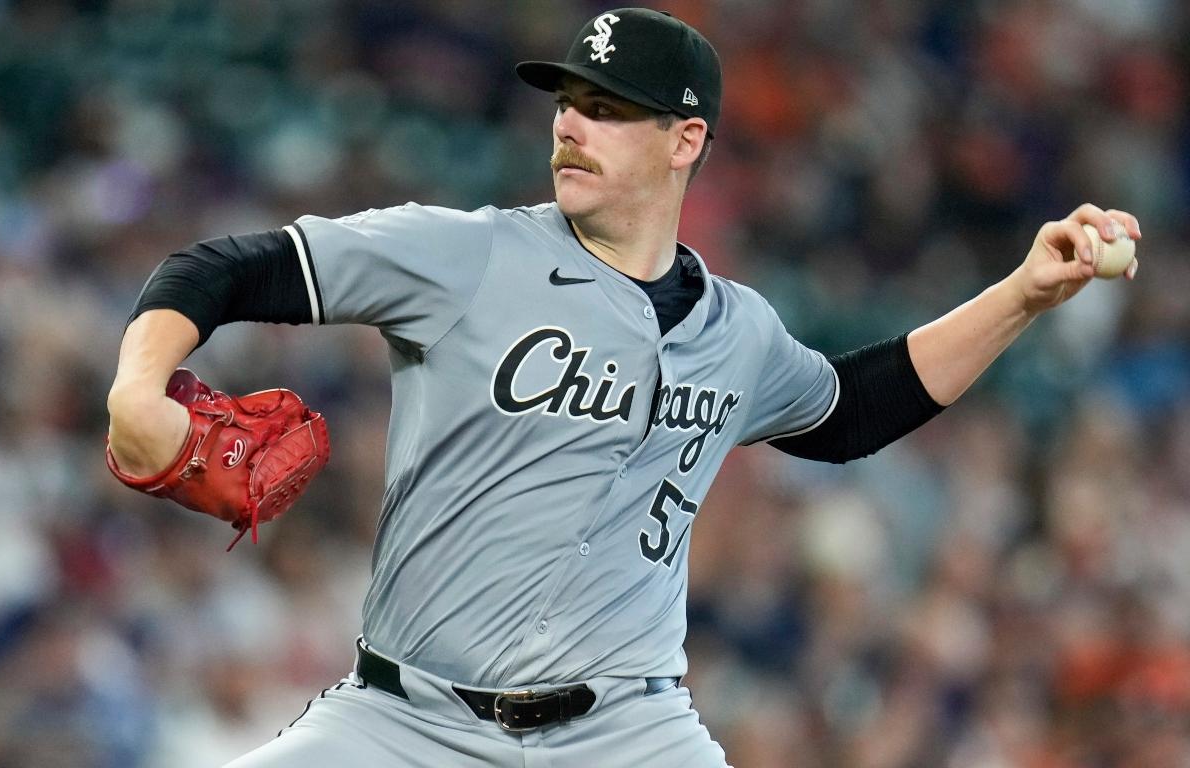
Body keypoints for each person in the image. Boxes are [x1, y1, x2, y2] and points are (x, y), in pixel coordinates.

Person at [105, 8, 1140, 767]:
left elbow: (849, 411)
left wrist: (1021, 295)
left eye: (607, 110)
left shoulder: (738, 329)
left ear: (684, 139)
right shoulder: (466, 256)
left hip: (628, 731)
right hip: (403, 722)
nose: (571, 126)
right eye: (569, 103)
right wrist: (137, 389)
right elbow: (225, 266)